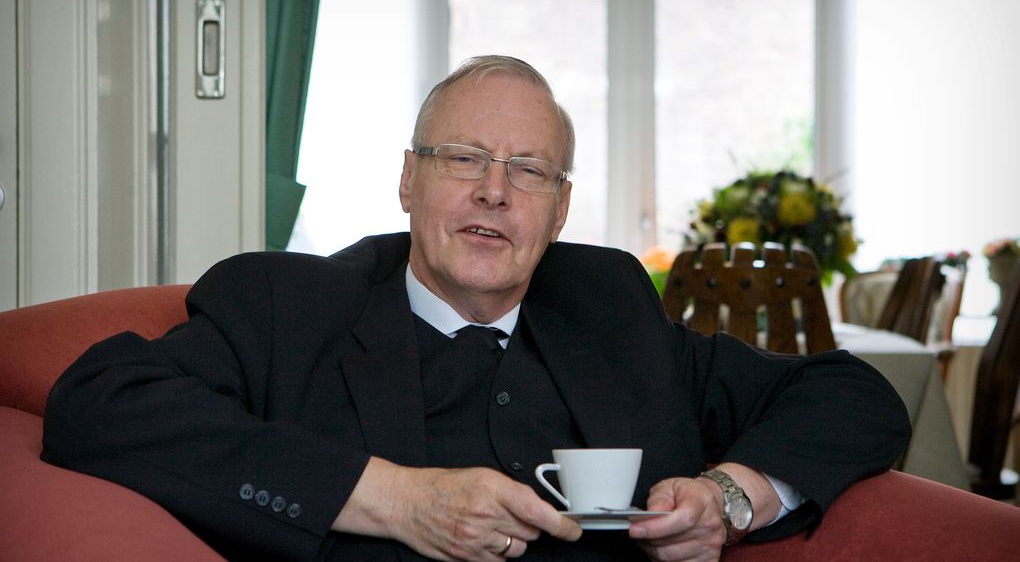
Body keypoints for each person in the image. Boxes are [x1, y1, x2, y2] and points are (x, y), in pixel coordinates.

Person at [43, 55, 910, 562]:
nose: (495, 192)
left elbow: (849, 394)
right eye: (464, 159)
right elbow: (98, 405)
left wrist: (728, 496)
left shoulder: (610, 311)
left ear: (559, 212)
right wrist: (390, 499)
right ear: (408, 181)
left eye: (529, 171)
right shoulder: (289, 305)